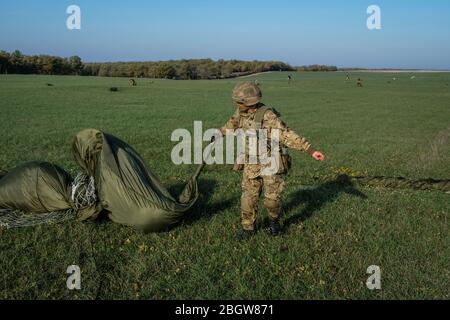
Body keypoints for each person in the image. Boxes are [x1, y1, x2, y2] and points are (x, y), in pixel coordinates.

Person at [218, 82, 325, 239]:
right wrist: (220, 132)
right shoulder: (241, 112)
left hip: (270, 164)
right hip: (251, 164)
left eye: (239, 101)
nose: (237, 104)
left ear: (249, 101)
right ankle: (248, 228)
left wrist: (310, 150)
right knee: (248, 199)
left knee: (272, 201)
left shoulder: (267, 115)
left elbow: (286, 135)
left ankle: (274, 222)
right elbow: (232, 124)